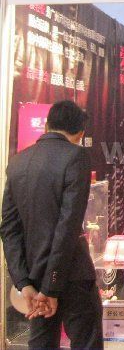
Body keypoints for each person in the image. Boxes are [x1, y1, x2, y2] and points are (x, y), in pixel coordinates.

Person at [0, 100, 103, 349]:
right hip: (71, 274)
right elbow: (67, 227)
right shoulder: (76, 156)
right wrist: (52, 288)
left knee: (41, 343)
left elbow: (9, 228)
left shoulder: (17, 162)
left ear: (46, 125)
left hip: (34, 277)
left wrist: (24, 283)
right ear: (80, 133)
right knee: (86, 342)